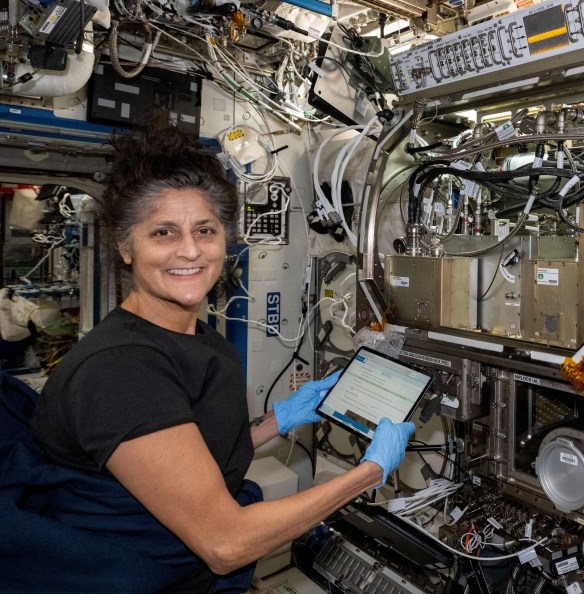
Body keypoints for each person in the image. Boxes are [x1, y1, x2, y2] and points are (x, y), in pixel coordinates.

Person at [24, 125, 415, 592]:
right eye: (163, 232)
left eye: (205, 230)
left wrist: (280, 420)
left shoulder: (197, 340)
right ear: (126, 248)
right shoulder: (122, 370)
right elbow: (225, 542)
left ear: (225, 240)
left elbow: (191, 458)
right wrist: (370, 471)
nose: (189, 250)